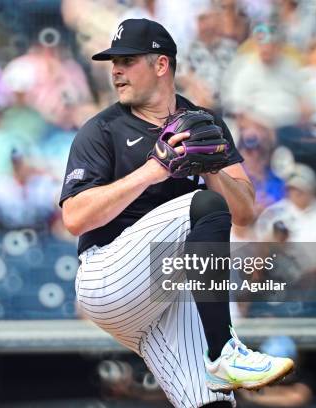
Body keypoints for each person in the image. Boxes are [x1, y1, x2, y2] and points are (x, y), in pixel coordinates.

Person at [60, 18, 293, 408]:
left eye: (128, 59)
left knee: (213, 402)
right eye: (113, 61)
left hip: (166, 292)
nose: (116, 70)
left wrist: (212, 167)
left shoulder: (203, 122)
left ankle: (219, 359)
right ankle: (224, 351)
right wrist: (155, 169)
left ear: (161, 64)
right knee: (202, 206)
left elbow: (246, 212)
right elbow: (74, 218)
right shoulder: (102, 129)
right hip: (108, 277)